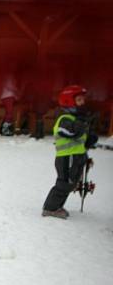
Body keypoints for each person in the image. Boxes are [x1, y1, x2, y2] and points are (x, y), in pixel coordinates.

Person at [42, 84, 97, 219]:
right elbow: (72, 132)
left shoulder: (77, 119)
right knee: (64, 183)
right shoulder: (64, 119)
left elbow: (81, 137)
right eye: (79, 100)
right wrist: (83, 122)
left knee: (71, 184)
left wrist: (89, 139)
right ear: (68, 102)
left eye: (83, 100)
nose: (82, 103)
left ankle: (58, 206)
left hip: (77, 156)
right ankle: (50, 208)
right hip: (66, 158)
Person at [0, 72, 21, 136]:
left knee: (8, 113)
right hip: (8, 97)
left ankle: (4, 128)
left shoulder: (9, 76)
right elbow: (9, 86)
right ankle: (5, 130)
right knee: (9, 113)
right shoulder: (10, 75)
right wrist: (16, 90)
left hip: (7, 96)